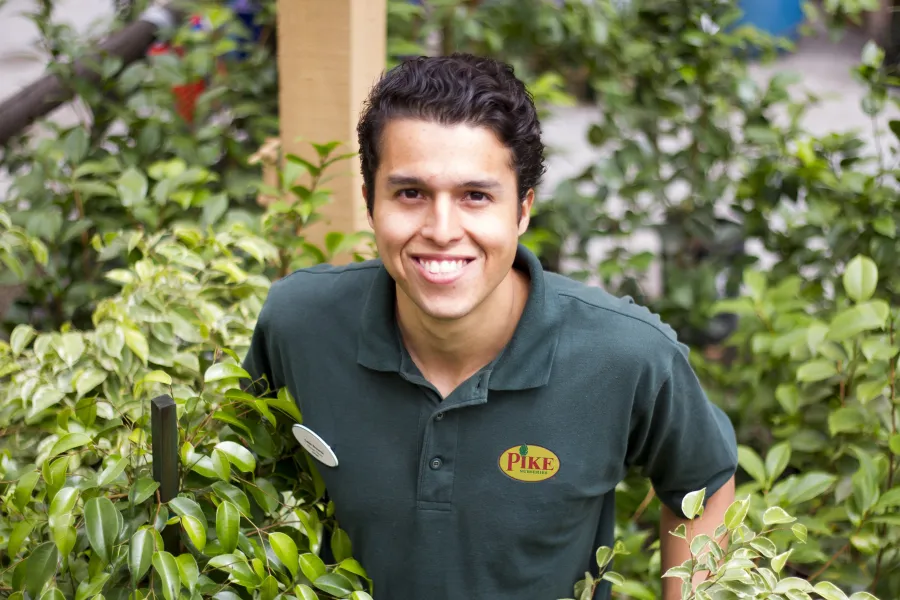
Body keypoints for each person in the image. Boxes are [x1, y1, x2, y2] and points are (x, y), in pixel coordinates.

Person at [241, 53, 738, 600]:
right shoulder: (299, 324)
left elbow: (703, 485)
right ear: (369, 202)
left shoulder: (627, 356)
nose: (442, 229)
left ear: (523, 210)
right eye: (411, 193)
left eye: (475, 196)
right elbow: (246, 478)